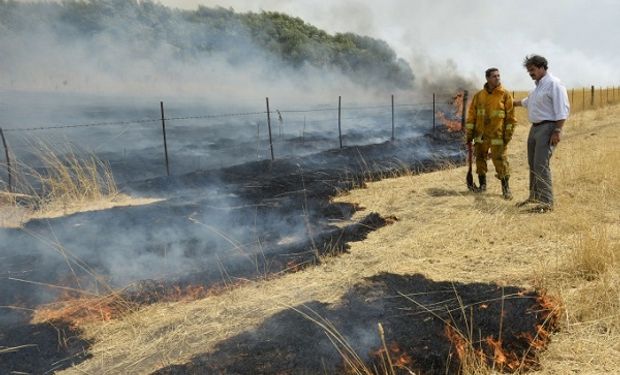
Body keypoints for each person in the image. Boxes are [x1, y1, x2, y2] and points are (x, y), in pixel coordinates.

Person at [514, 54, 570, 212]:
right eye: (528, 71)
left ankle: (546, 203)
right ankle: (534, 197)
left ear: (542, 67)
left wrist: (557, 130)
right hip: (535, 128)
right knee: (533, 164)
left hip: (548, 128)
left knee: (541, 165)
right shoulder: (538, 86)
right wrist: (510, 103)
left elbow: (563, 110)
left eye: (532, 70)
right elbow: (527, 102)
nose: (530, 73)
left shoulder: (554, 84)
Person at [465, 67, 517, 199]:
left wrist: (507, 136)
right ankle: (482, 186)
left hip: (497, 136)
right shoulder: (479, 96)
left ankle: (506, 190)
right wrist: (469, 134)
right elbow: (471, 117)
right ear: (487, 78)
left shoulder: (505, 94)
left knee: (501, 161)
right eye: (494, 76)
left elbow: (511, 118)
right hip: (480, 136)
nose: (498, 78)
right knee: (480, 160)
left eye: (499, 75)